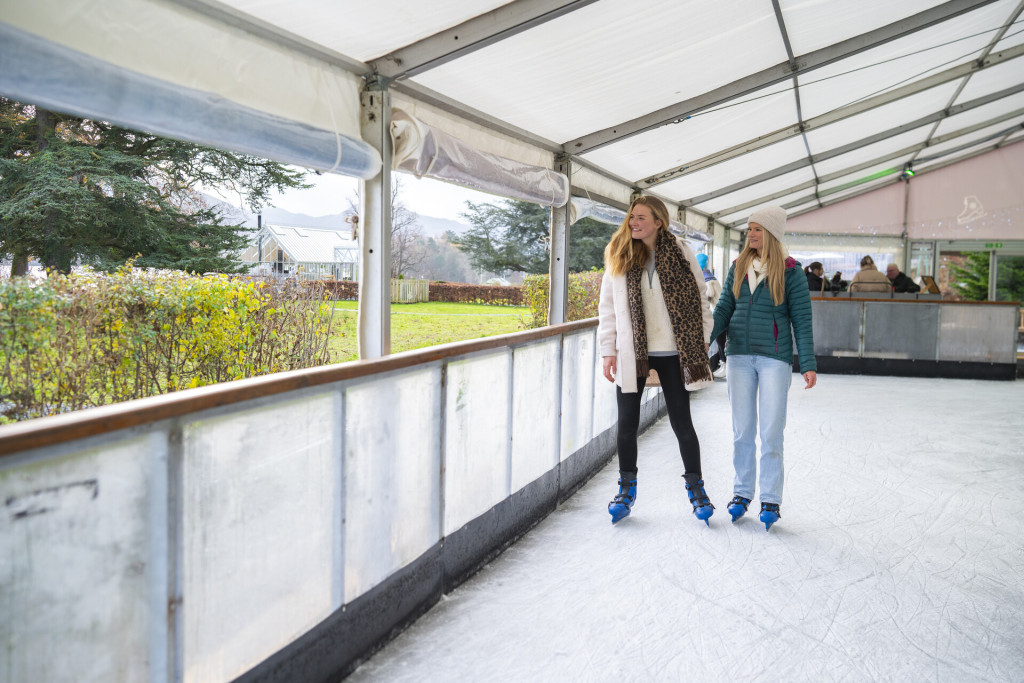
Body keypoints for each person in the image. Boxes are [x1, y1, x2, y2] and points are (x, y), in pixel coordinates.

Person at [598, 196, 715, 525]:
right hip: (631, 353)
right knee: (626, 425)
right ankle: (626, 490)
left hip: (674, 352)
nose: (633, 222)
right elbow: (607, 308)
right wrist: (608, 351)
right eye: (632, 217)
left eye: (641, 217)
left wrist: (702, 341)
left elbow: (700, 297)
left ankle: (697, 489)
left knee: (682, 424)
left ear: (659, 222)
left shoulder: (680, 251)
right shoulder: (619, 252)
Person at [709, 206, 817, 531]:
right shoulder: (738, 266)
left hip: (774, 358)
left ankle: (770, 498)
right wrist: (703, 340)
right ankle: (742, 493)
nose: (751, 234)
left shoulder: (791, 271)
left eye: (757, 229)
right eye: (749, 229)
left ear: (771, 233)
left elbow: (802, 320)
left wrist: (808, 363)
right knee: (742, 430)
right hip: (739, 356)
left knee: (771, 432)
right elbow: (724, 308)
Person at [697, 252, 727, 375]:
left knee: (720, 341)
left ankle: (724, 364)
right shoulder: (711, 276)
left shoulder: (707, 278)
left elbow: (709, 293)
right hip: (722, 312)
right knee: (721, 341)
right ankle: (723, 364)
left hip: (718, 313)